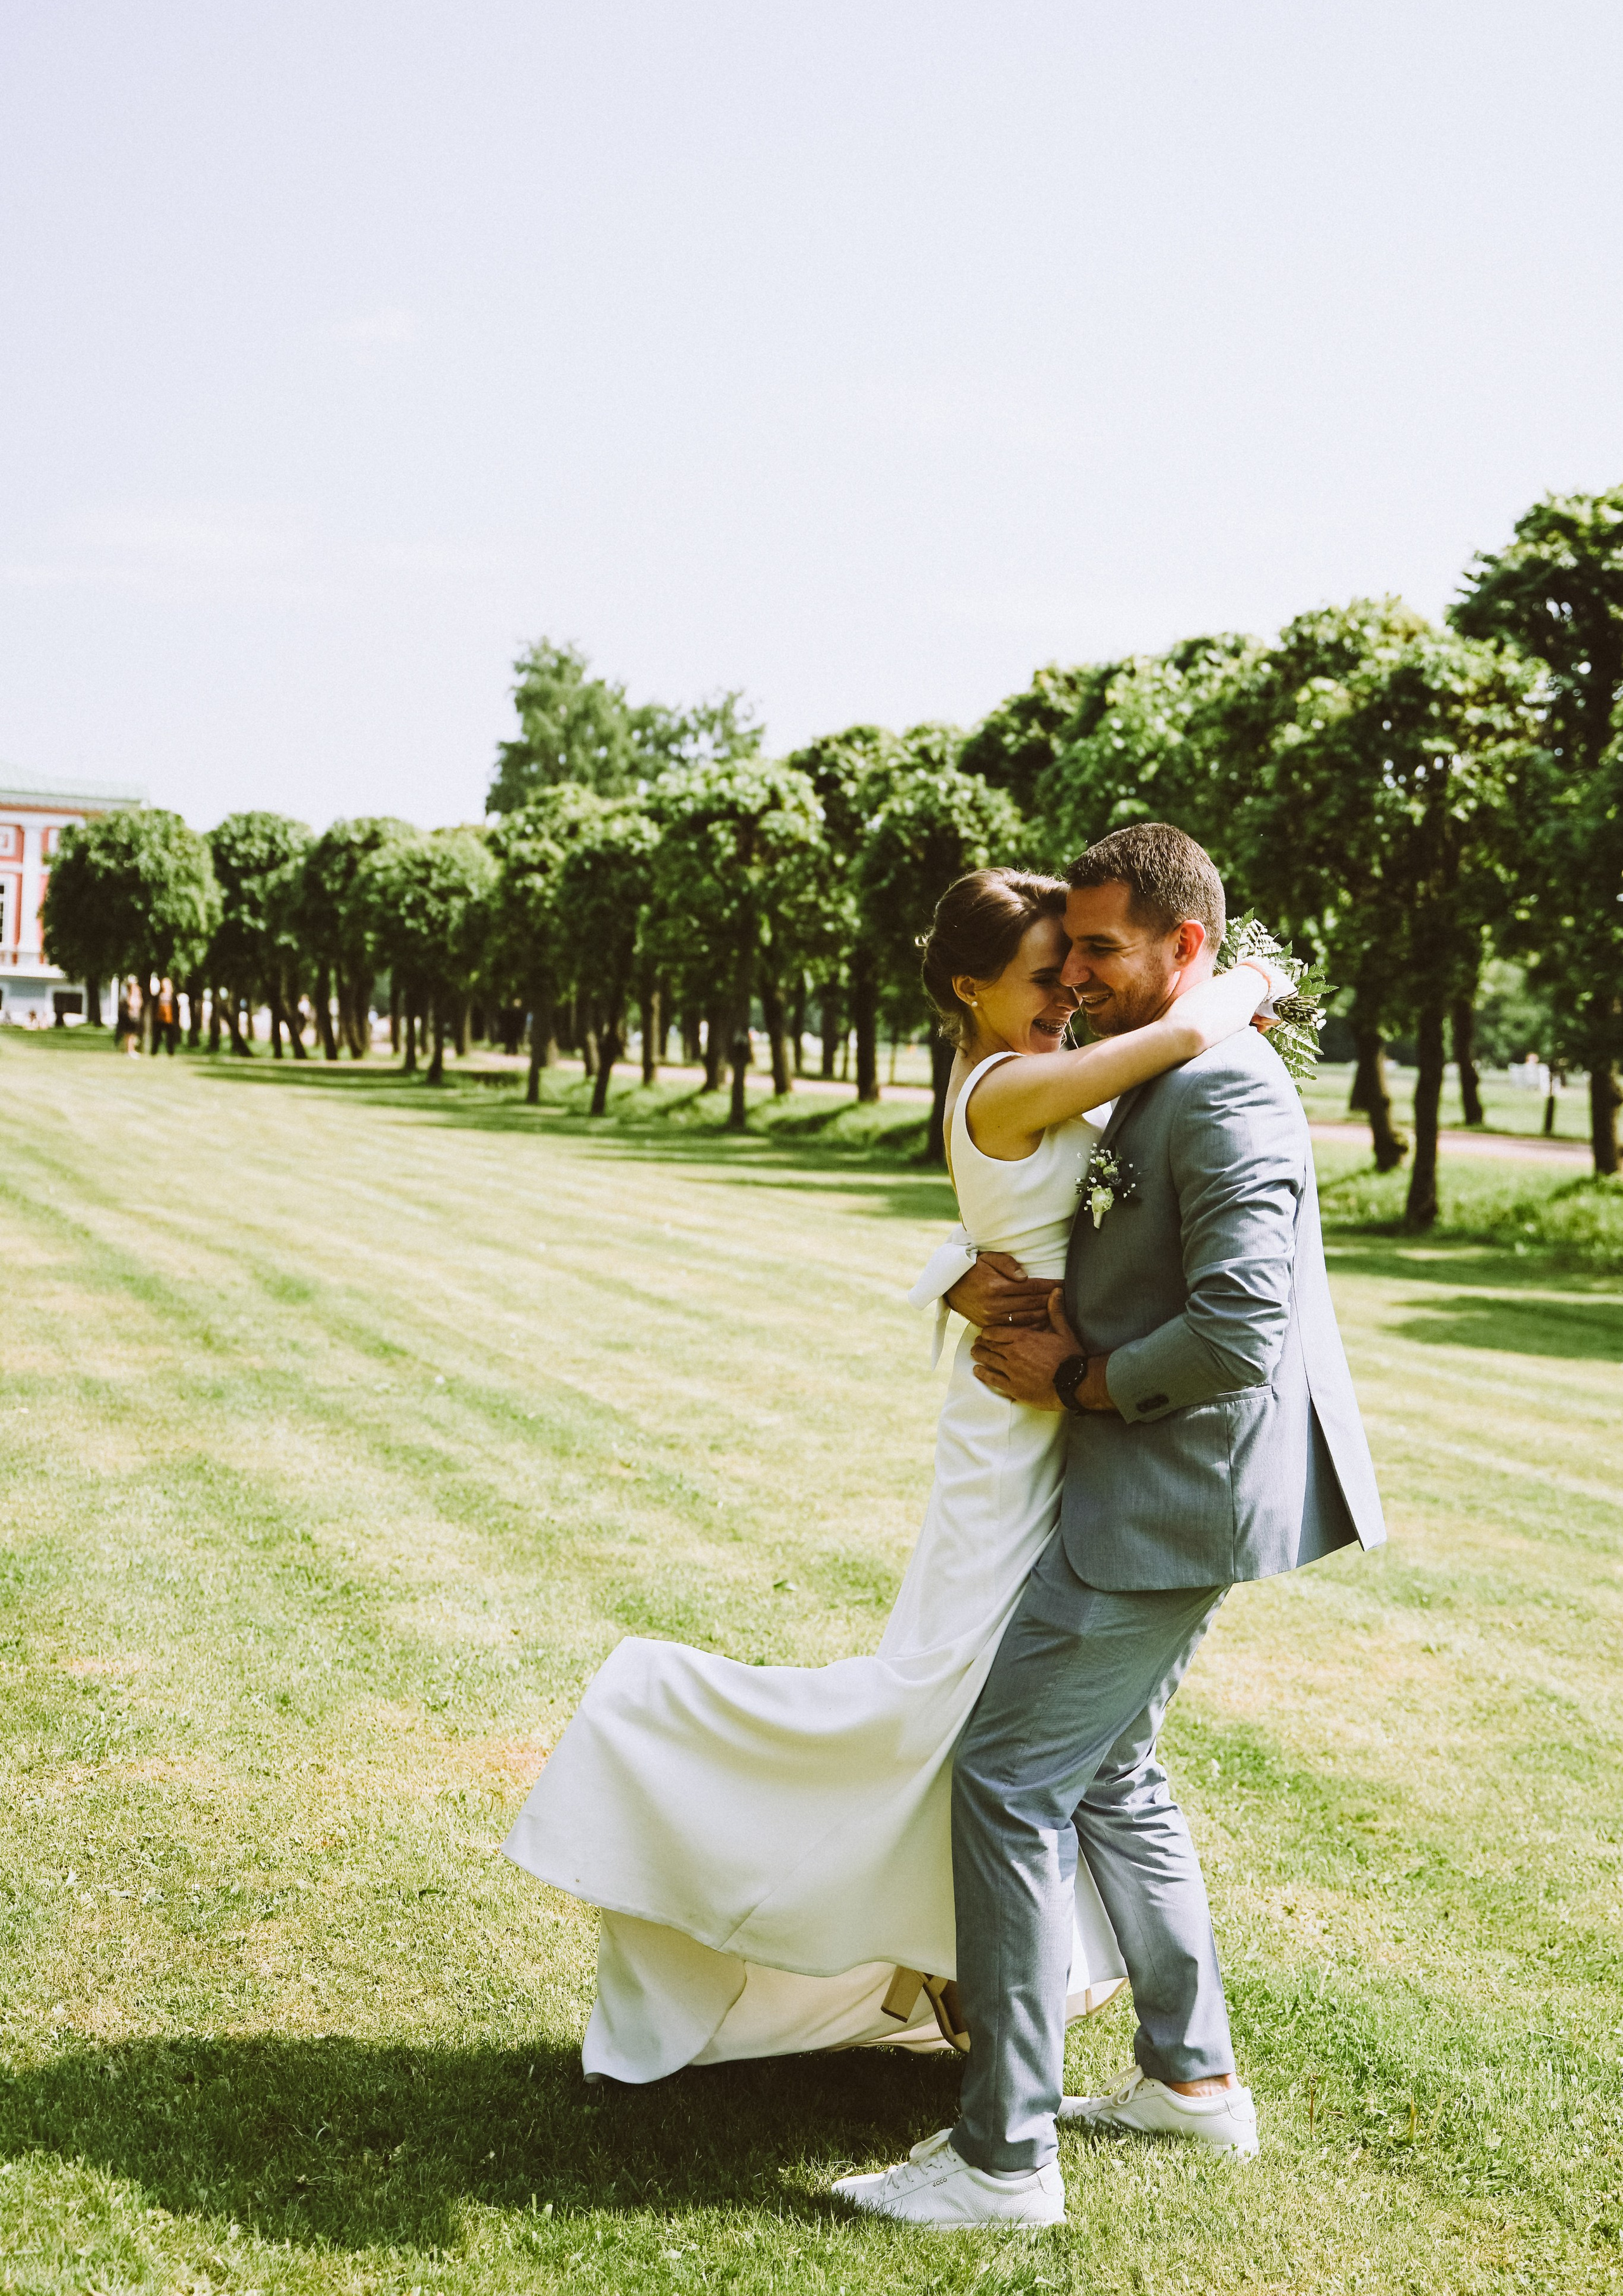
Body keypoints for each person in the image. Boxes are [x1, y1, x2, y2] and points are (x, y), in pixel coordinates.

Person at [502, 862, 1290, 2091]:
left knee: (1000, 1722)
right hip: (1017, 1432)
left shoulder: (1019, 1071)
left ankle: (960, 1966)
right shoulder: (1010, 1082)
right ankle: (657, 1723)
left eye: (1076, 970)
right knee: (941, 1700)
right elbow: (1180, 1037)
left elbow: (1047, 1206)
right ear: (970, 989)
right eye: (1045, 976)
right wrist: (1251, 978)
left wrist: (952, 1270)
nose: (1069, 995)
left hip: (1066, 1425)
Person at [831, 825, 1384, 2231]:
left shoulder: (1223, 1087)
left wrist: (1078, 1379)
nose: (1074, 975)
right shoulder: (1151, 1062)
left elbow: (1242, 1330)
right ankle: (1192, 2083)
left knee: (1009, 1780)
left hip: (1169, 1488)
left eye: (1097, 949)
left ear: (1184, 946)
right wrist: (961, 1273)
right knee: (1114, 1778)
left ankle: (1003, 2158)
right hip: (1142, 1478)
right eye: (1061, 952)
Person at [153, 976, 180, 1056]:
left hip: (170, 1019)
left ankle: (171, 1053)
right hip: (159, 1018)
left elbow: (176, 1009)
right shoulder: (159, 996)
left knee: (170, 1037)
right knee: (157, 1037)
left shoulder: (173, 996)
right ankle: (154, 1052)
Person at [115, 979, 142, 1057]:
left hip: (136, 1018)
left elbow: (140, 1005)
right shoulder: (128, 997)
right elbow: (131, 1005)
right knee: (128, 1035)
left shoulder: (137, 997)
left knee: (133, 1035)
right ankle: (129, 1051)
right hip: (129, 1018)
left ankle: (132, 1050)